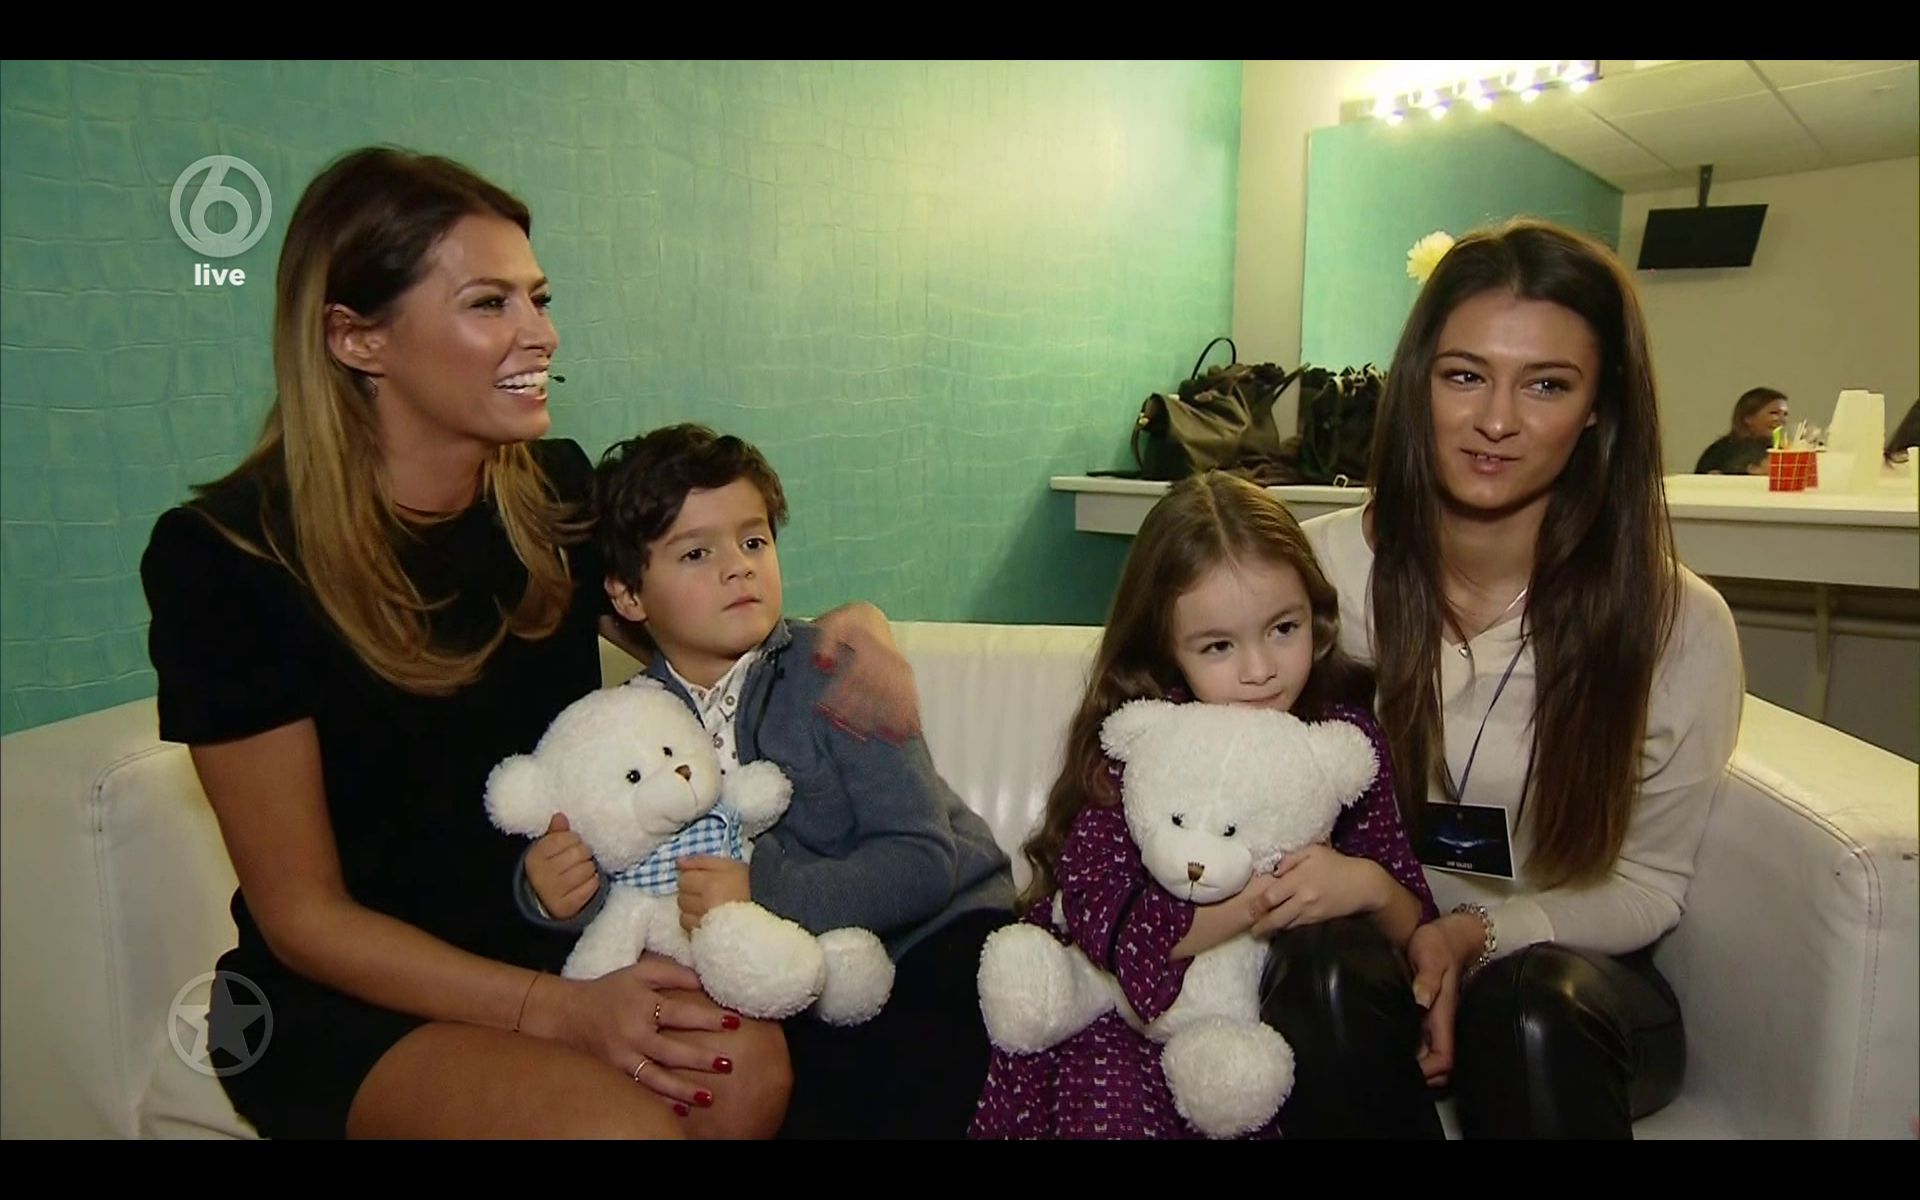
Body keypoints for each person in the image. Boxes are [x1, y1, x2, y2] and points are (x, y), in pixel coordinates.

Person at [140, 147, 913, 1139]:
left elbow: (709, 623)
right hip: (353, 998)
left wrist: (859, 626)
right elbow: (304, 918)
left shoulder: (551, 494)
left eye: (537, 299)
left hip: (556, 930)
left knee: (748, 1073)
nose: (540, 333)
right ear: (357, 338)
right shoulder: (227, 559)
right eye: (488, 304)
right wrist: (557, 1013)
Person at [1304, 218, 1744, 1138]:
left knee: (1526, 1011)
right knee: (1329, 973)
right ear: (1417, 383)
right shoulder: (1317, 578)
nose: (1497, 421)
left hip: (1567, 986)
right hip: (1373, 955)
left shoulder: (1675, 623)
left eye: (1547, 384)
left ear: (1598, 409)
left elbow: (1650, 885)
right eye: (1465, 375)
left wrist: (1480, 934)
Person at [524, 423, 1015, 1139]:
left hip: (937, 930)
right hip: (786, 964)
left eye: (753, 541)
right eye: (697, 553)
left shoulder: (837, 671)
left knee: (907, 1067)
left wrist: (761, 890)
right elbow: (629, 873)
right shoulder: (626, 724)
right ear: (628, 595)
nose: (739, 568)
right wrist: (552, 893)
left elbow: (923, 862)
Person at [970, 471, 1439, 1140]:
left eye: (1283, 628)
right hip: (1121, 1018)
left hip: (1265, 1028)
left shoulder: (1341, 739)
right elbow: (1103, 919)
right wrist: (1258, 901)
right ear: (1164, 645)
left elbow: (1413, 915)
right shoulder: (1144, 741)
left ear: (1316, 616)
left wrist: (1365, 884)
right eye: (1219, 645)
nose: (1259, 669)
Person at [1694, 386, 1788, 474]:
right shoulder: (1720, 452)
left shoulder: (1783, 452)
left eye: (1785, 414)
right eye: (1774, 413)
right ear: (1748, 418)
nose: (1782, 420)